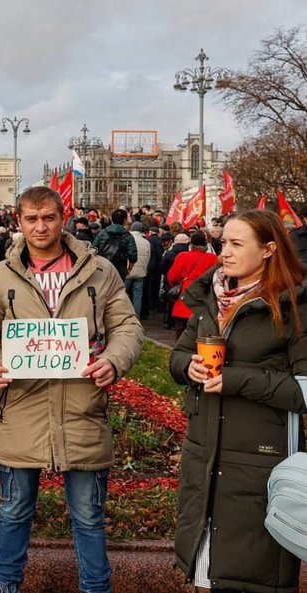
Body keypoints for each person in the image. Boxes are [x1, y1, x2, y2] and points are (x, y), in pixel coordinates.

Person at [0, 187, 144, 593]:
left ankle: (96, 588)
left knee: (88, 515)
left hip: (83, 412)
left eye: (49, 218)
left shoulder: (100, 270)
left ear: (63, 217)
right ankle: (6, 586)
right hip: (21, 410)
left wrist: (114, 360)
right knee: (14, 510)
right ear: (18, 221)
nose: (41, 227)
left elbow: (128, 326)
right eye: (32, 219)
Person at [169, 209, 307, 592]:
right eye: (222, 242)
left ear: (268, 249)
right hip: (205, 453)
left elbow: (304, 390)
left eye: (235, 243)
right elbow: (178, 356)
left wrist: (236, 379)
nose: (223, 252)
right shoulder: (213, 297)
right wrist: (188, 368)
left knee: (251, 575)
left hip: (259, 459)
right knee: (208, 573)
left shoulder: (294, 304)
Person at [167, 232, 219, 338]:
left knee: (181, 326)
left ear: (191, 244)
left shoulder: (182, 256)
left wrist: (177, 284)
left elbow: (173, 277)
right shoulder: (212, 258)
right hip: (203, 294)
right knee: (200, 326)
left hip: (185, 292)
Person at [92, 208, 137, 280]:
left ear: (112, 219)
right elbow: (133, 255)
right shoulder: (128, 236)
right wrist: (129, 269)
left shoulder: (103, 232)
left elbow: (93, 248)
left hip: (103, 266)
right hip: (120, 269)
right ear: (125, 220)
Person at [125, 221, 151, 319]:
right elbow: (148, 257)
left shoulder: (127, 239)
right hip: (141, 273)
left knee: (123, 295)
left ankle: (125, 317)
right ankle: (136, 318)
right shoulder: (146, 242)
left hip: (128, 271)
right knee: (138, 297)